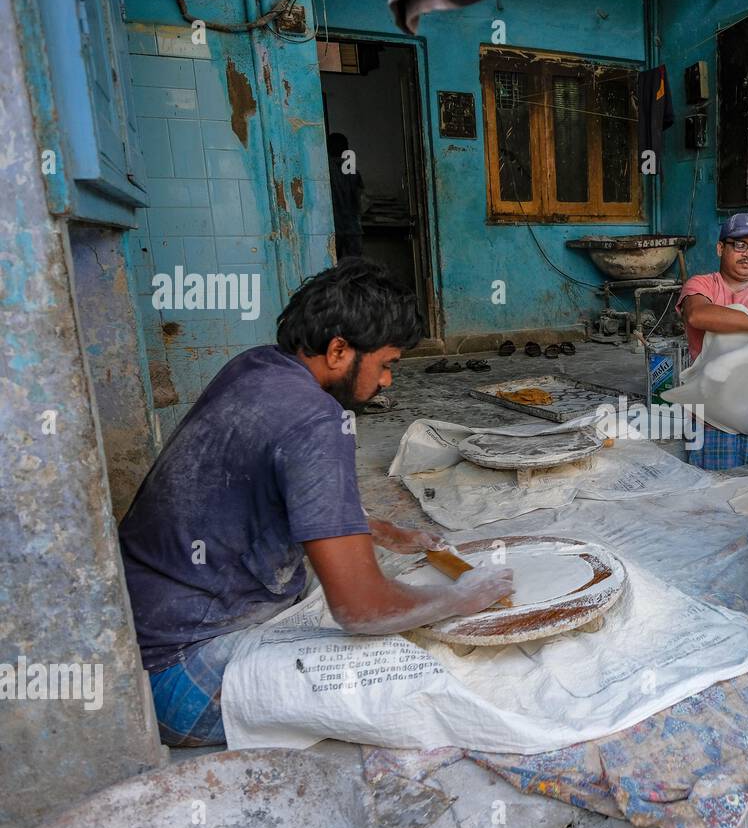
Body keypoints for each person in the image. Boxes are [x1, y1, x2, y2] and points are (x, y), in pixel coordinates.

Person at [118, 258, 512, 746]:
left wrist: (384, 530)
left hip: (130, 637)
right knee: (426, 682)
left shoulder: (256, 365)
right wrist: (459, 598)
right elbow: (361, 608)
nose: (388, 381)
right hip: (179, 678)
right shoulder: (317, 423)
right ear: (339, 350)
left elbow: (284, 491)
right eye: (386, 364)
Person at [676, 212, 748, 470]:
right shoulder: (702, 284)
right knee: (711, 500)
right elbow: (698, 314)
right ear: (720, 248)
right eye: (739, 245)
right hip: (711, 420)